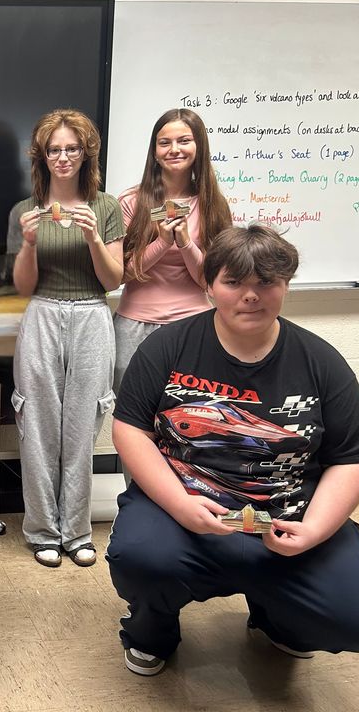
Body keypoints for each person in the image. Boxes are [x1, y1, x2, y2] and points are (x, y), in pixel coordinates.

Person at [107, 224, 359, 677]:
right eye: (234, 281)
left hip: (287, 516)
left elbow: (352, 457)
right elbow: (130, 431)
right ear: (209, 285)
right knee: (140, 558)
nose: (251, 295)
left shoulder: (321, 362)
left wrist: (316, 529)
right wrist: (180, 506)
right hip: (188, 513)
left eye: (266, 282)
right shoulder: (167, 347)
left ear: (285, 286)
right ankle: (151, 629)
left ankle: (281, 623)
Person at [6, 109, 124, 568]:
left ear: (86, 153)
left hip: (93, 314)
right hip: (42, 313)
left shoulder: (106, 206)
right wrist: (30, 243)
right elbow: (22, 286)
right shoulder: (24, 211)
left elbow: (112, 280)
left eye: (71, 148)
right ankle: (41, 530)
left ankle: (75, 531)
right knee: (36, 422)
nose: (63, 157)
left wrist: (94, 238)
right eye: (54, 149)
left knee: (83, 423)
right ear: (41, 155)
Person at [114, 108, 232, 481]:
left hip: (192, 327)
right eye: (165, 142)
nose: (174, 149)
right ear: (155, 149)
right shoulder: (132, 201)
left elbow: (209, 282)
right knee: (135, 424)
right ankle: (137, 504)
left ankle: (190, 501)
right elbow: (124, 273)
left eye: (183, 140)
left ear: (199, 146)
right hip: (133, 325)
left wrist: (185, 243)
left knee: (191, 421)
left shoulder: (213, 205)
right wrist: (163, 240)